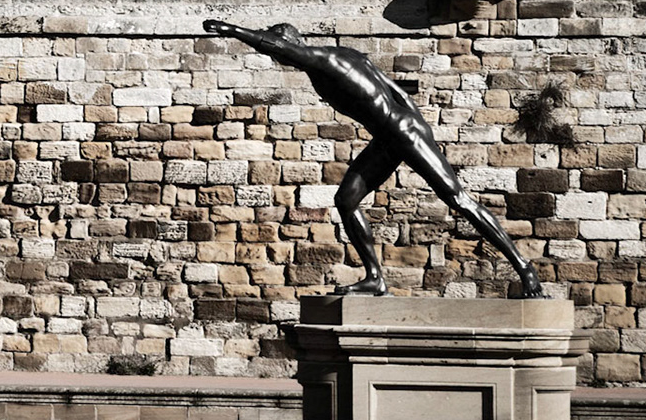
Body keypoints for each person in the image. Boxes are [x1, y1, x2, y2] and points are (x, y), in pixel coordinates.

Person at [202, 19, 544, 298]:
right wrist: (410, 126)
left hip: (402, 131)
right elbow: (398, 92)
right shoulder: (348, 55)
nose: (283, 60)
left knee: (457, 198)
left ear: (293, 43)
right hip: (393, 133)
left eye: (285, 51)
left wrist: (233, 31)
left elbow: (278, 47)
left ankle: (524, 268)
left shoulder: (323, 60)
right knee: (346, 199)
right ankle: (375, 278)